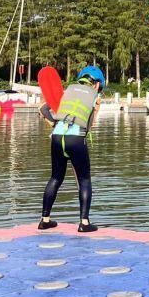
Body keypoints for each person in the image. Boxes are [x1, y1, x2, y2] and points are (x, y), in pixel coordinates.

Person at [38, 65, 105, 233]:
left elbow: (43, 109)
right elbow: (88, 126)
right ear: (97, 84)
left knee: (55, 178)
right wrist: (96, 110)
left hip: (57, 136)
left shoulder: (67, 91)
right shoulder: (94, 96)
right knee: (84, 180)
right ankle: (84, 223)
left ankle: (45, 220)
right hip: (76, 138)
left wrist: (54, 123)